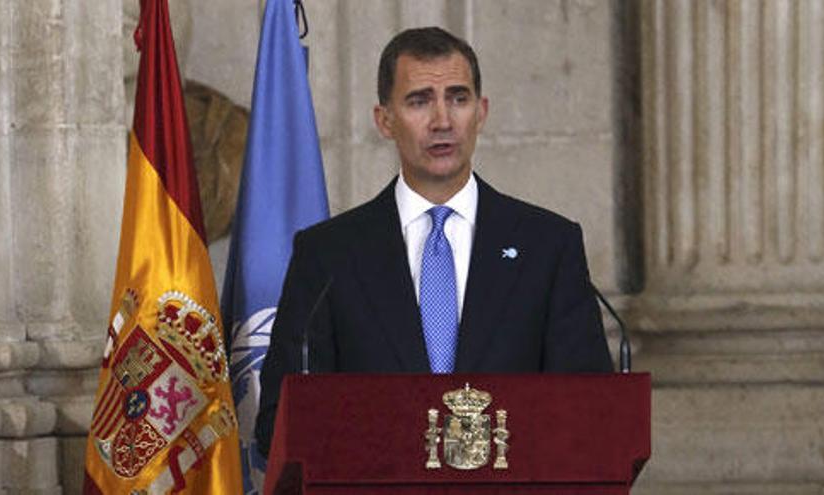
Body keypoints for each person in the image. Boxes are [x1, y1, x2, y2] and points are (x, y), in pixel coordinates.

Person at [255, 26, 613, 457]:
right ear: (384, 120)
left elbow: (593, 413)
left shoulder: (547, 246)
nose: (442, 120)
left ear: (481, 112)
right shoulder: (329, 255)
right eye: (419, 100)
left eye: (458, 99)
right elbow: (279, 421)